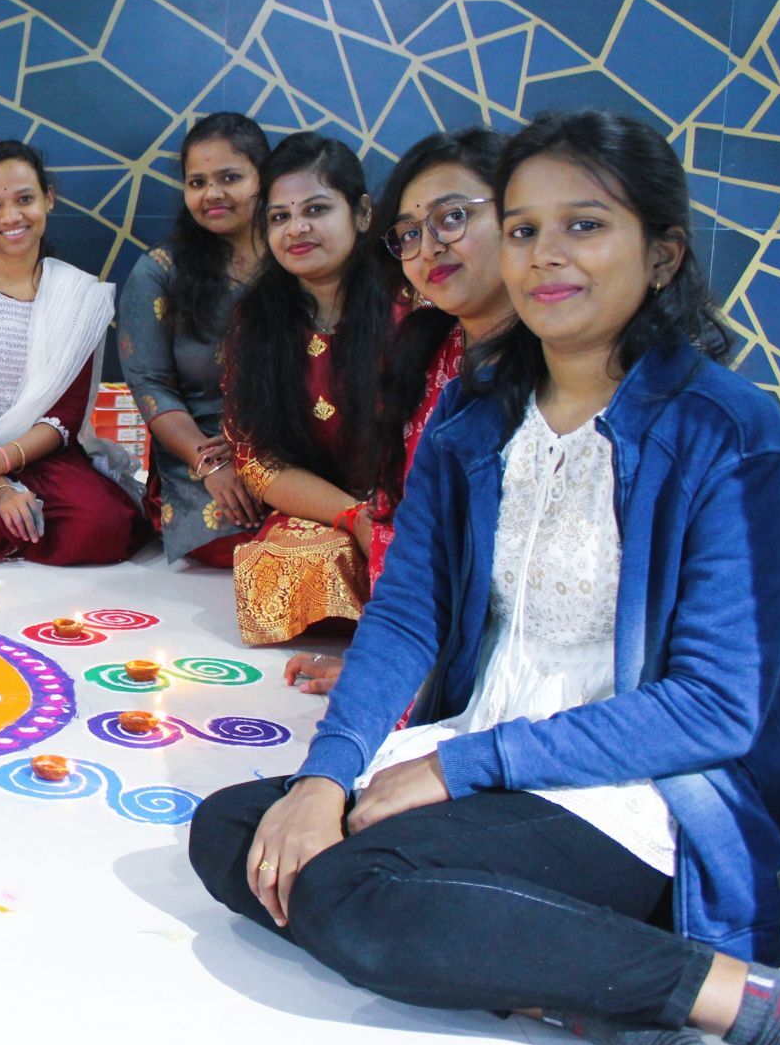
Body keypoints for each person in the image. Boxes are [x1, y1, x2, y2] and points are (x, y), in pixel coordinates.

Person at [190, 111, 780, 1045]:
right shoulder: (474, 413)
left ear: (659, 254)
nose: (544, 256)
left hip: (644, 787)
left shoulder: (724, 429)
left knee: (351, 893)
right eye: (527, 228)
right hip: (485, 741)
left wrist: (454, 771)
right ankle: (606, 999)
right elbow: (404, 619)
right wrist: (324, 779)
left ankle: (764, 1008)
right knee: (237, 832)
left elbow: (713, 707)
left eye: (582, 227)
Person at [286, 128, 513, 696]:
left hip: (537, 678)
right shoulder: (427, 350)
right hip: (429, 644)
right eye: (409, 233)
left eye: (452, 217)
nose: (429, 248)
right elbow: (398, 523)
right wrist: (386, 666)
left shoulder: (568, 363)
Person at [0, 141, 144, 565]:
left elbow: (66, 417)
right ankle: (21, 527)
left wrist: (1, 461)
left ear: (48, 200)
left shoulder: (78, 297)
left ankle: (17, 532)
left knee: (104, 525)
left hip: (43, 453)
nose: (11, 217)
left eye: (24, 199)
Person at [220, 132, 395, 646]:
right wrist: (352, 516)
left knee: (410, 552)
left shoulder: (413, 305)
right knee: (283, 564)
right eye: (279, 217)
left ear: (362, 213)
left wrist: (382, 519)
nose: (297, 228)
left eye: (316, 209)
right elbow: (257, 459)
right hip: (324, 507)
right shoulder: (254, 320)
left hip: (408, 503)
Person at [117, 112, 268, 563]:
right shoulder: (159, 272)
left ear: (266, 177)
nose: (212, 194)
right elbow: (151, 387)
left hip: (295, 454)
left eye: (230, 177)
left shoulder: (297, 259)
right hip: (202, 466)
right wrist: (214, 464)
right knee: (264, 548)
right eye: (197, 182)